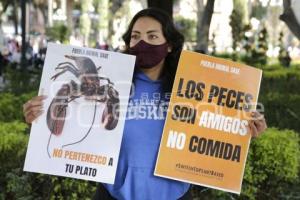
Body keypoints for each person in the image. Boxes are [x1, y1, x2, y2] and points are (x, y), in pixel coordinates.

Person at [23, 8, 267, 200]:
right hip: (113, 196)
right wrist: (37, 113)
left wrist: (242, 128)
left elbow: (217, 128)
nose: (143, 43)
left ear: (169, 45)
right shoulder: (114, 83)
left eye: (152, 37)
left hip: (176, 196)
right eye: (136, 37)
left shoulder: (192, 89)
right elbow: (76, 125)